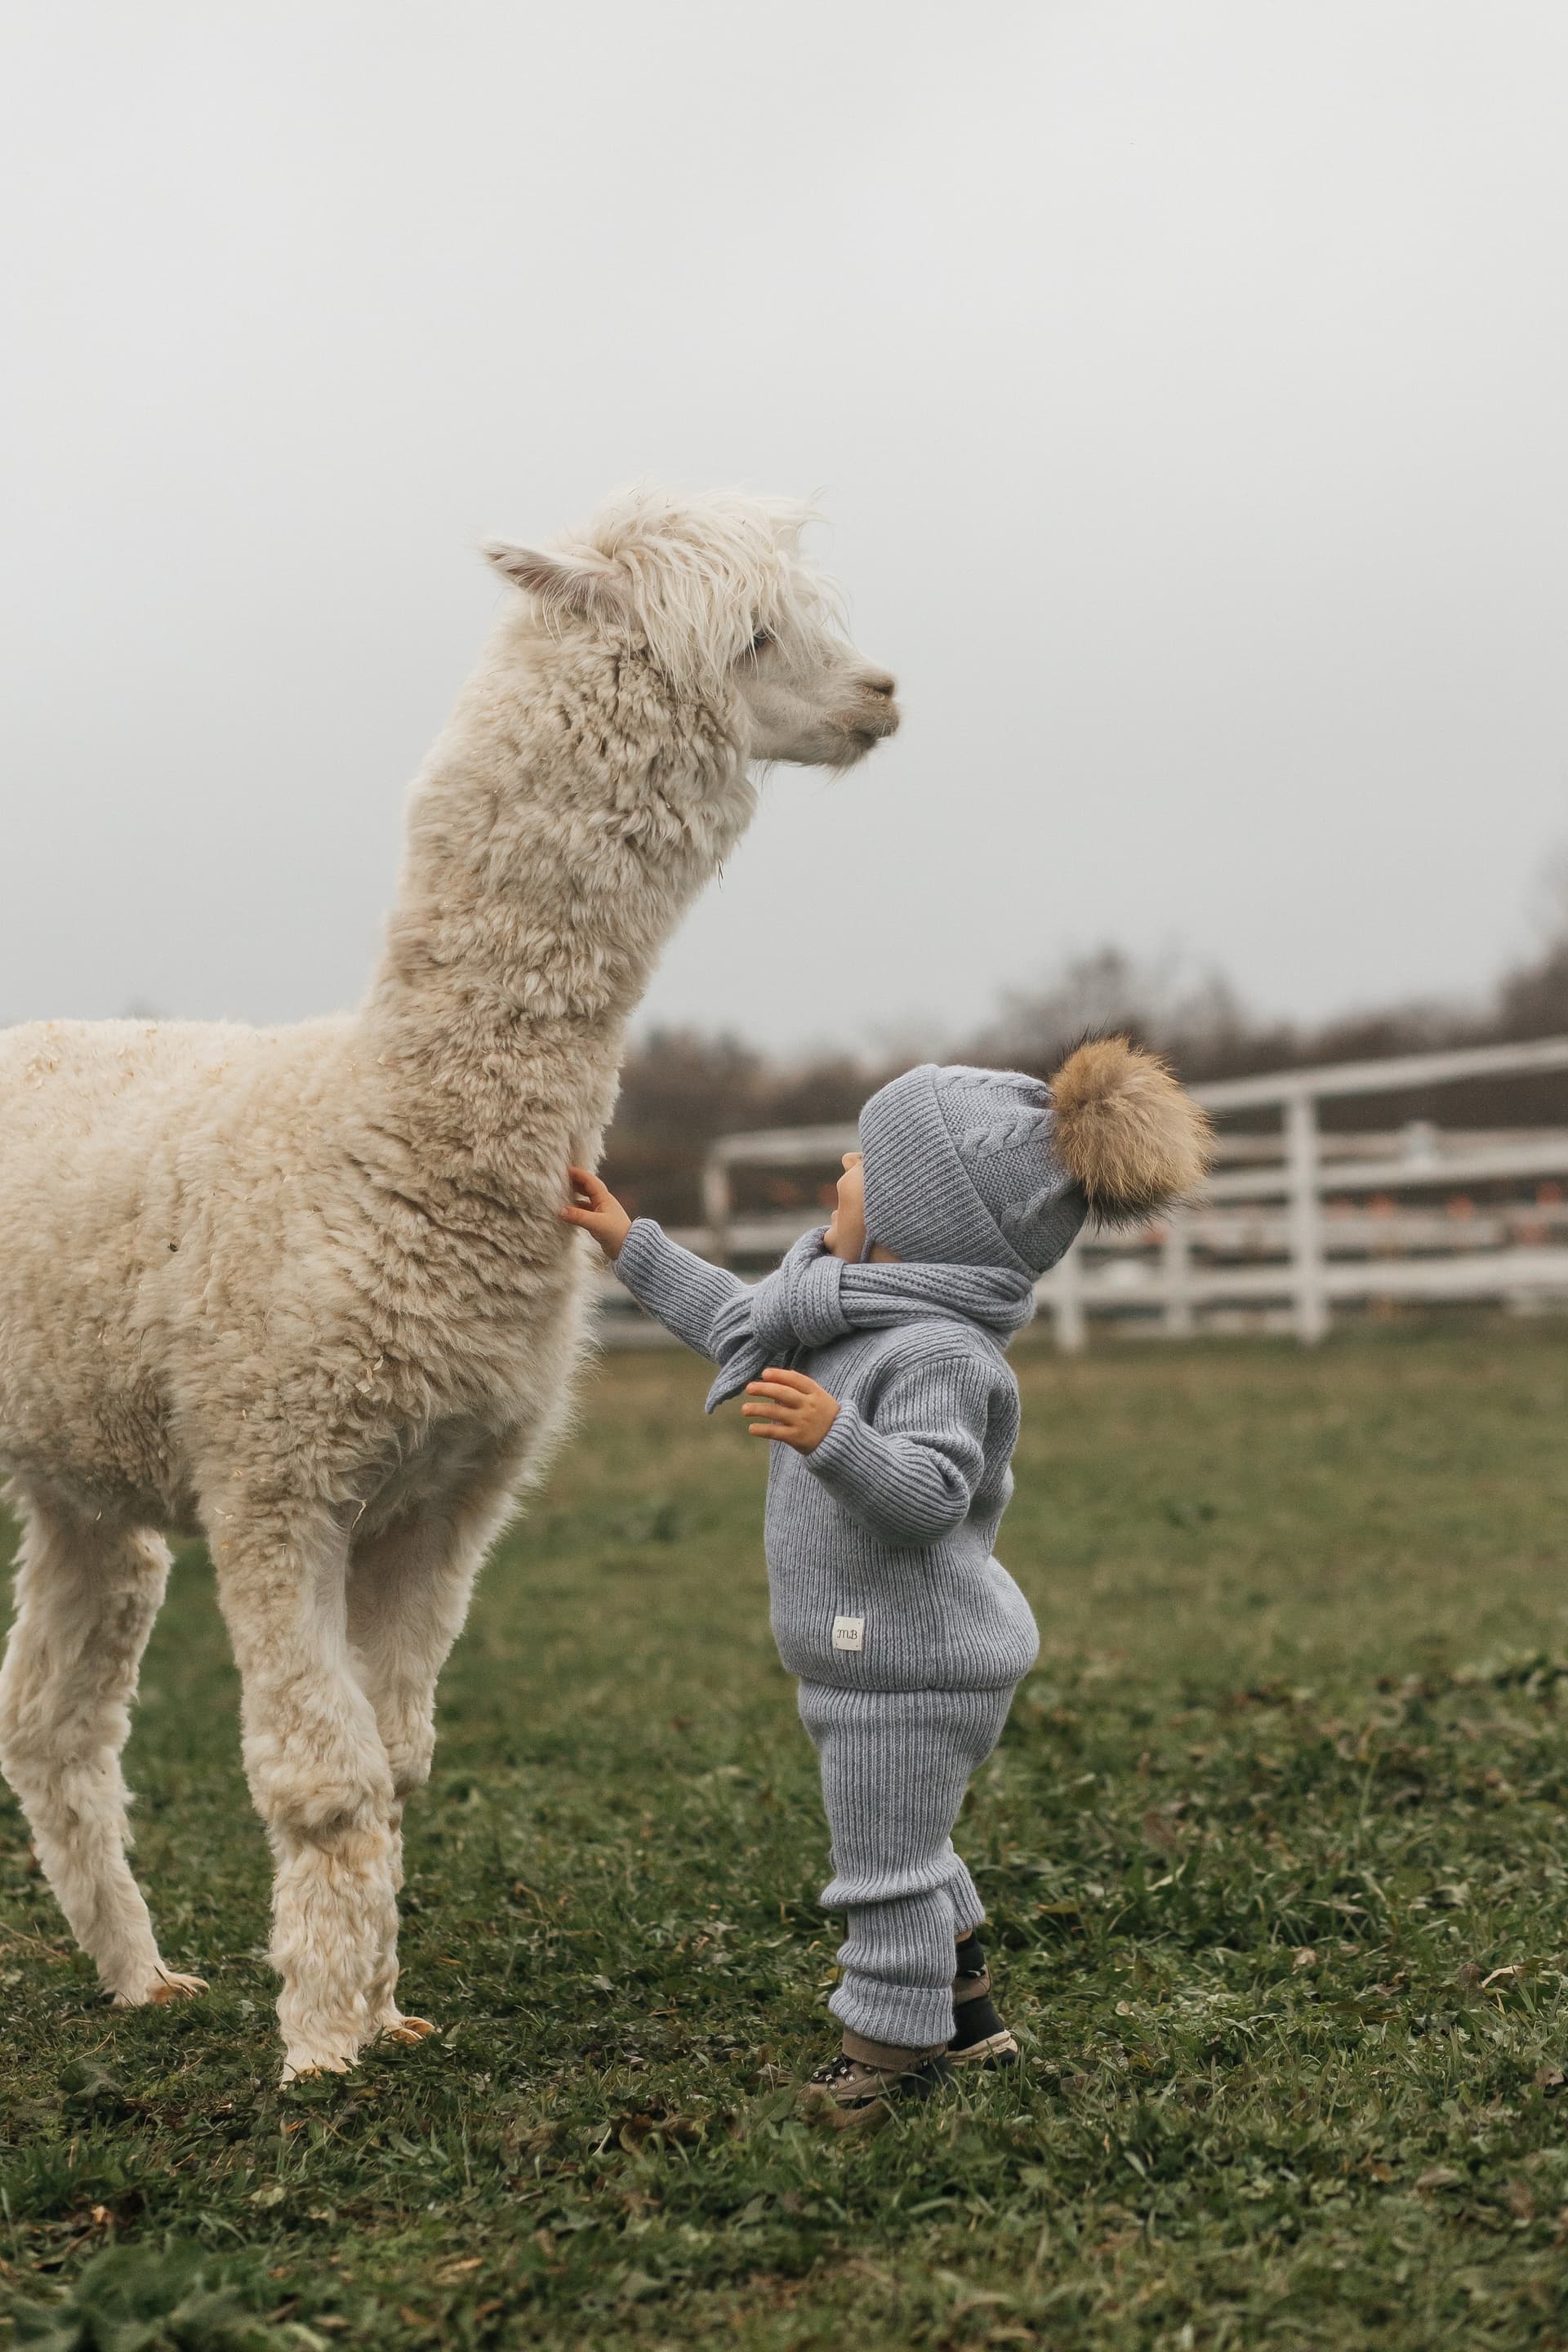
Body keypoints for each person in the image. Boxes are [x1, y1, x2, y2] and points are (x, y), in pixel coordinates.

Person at [563, 1042, 1209, 2119]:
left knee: (884, 1864)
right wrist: (629, 1240)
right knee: (911, 1839)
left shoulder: (940, 1354)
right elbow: (735, 1320)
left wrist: (837, 1437)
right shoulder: (842, 1310)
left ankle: (885, 2056)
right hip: (874, 1656)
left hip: (911, 1664)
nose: (845, 1172)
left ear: (920, 1219)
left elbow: (928, 1497)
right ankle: (966, 2017)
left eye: (868, 1164)